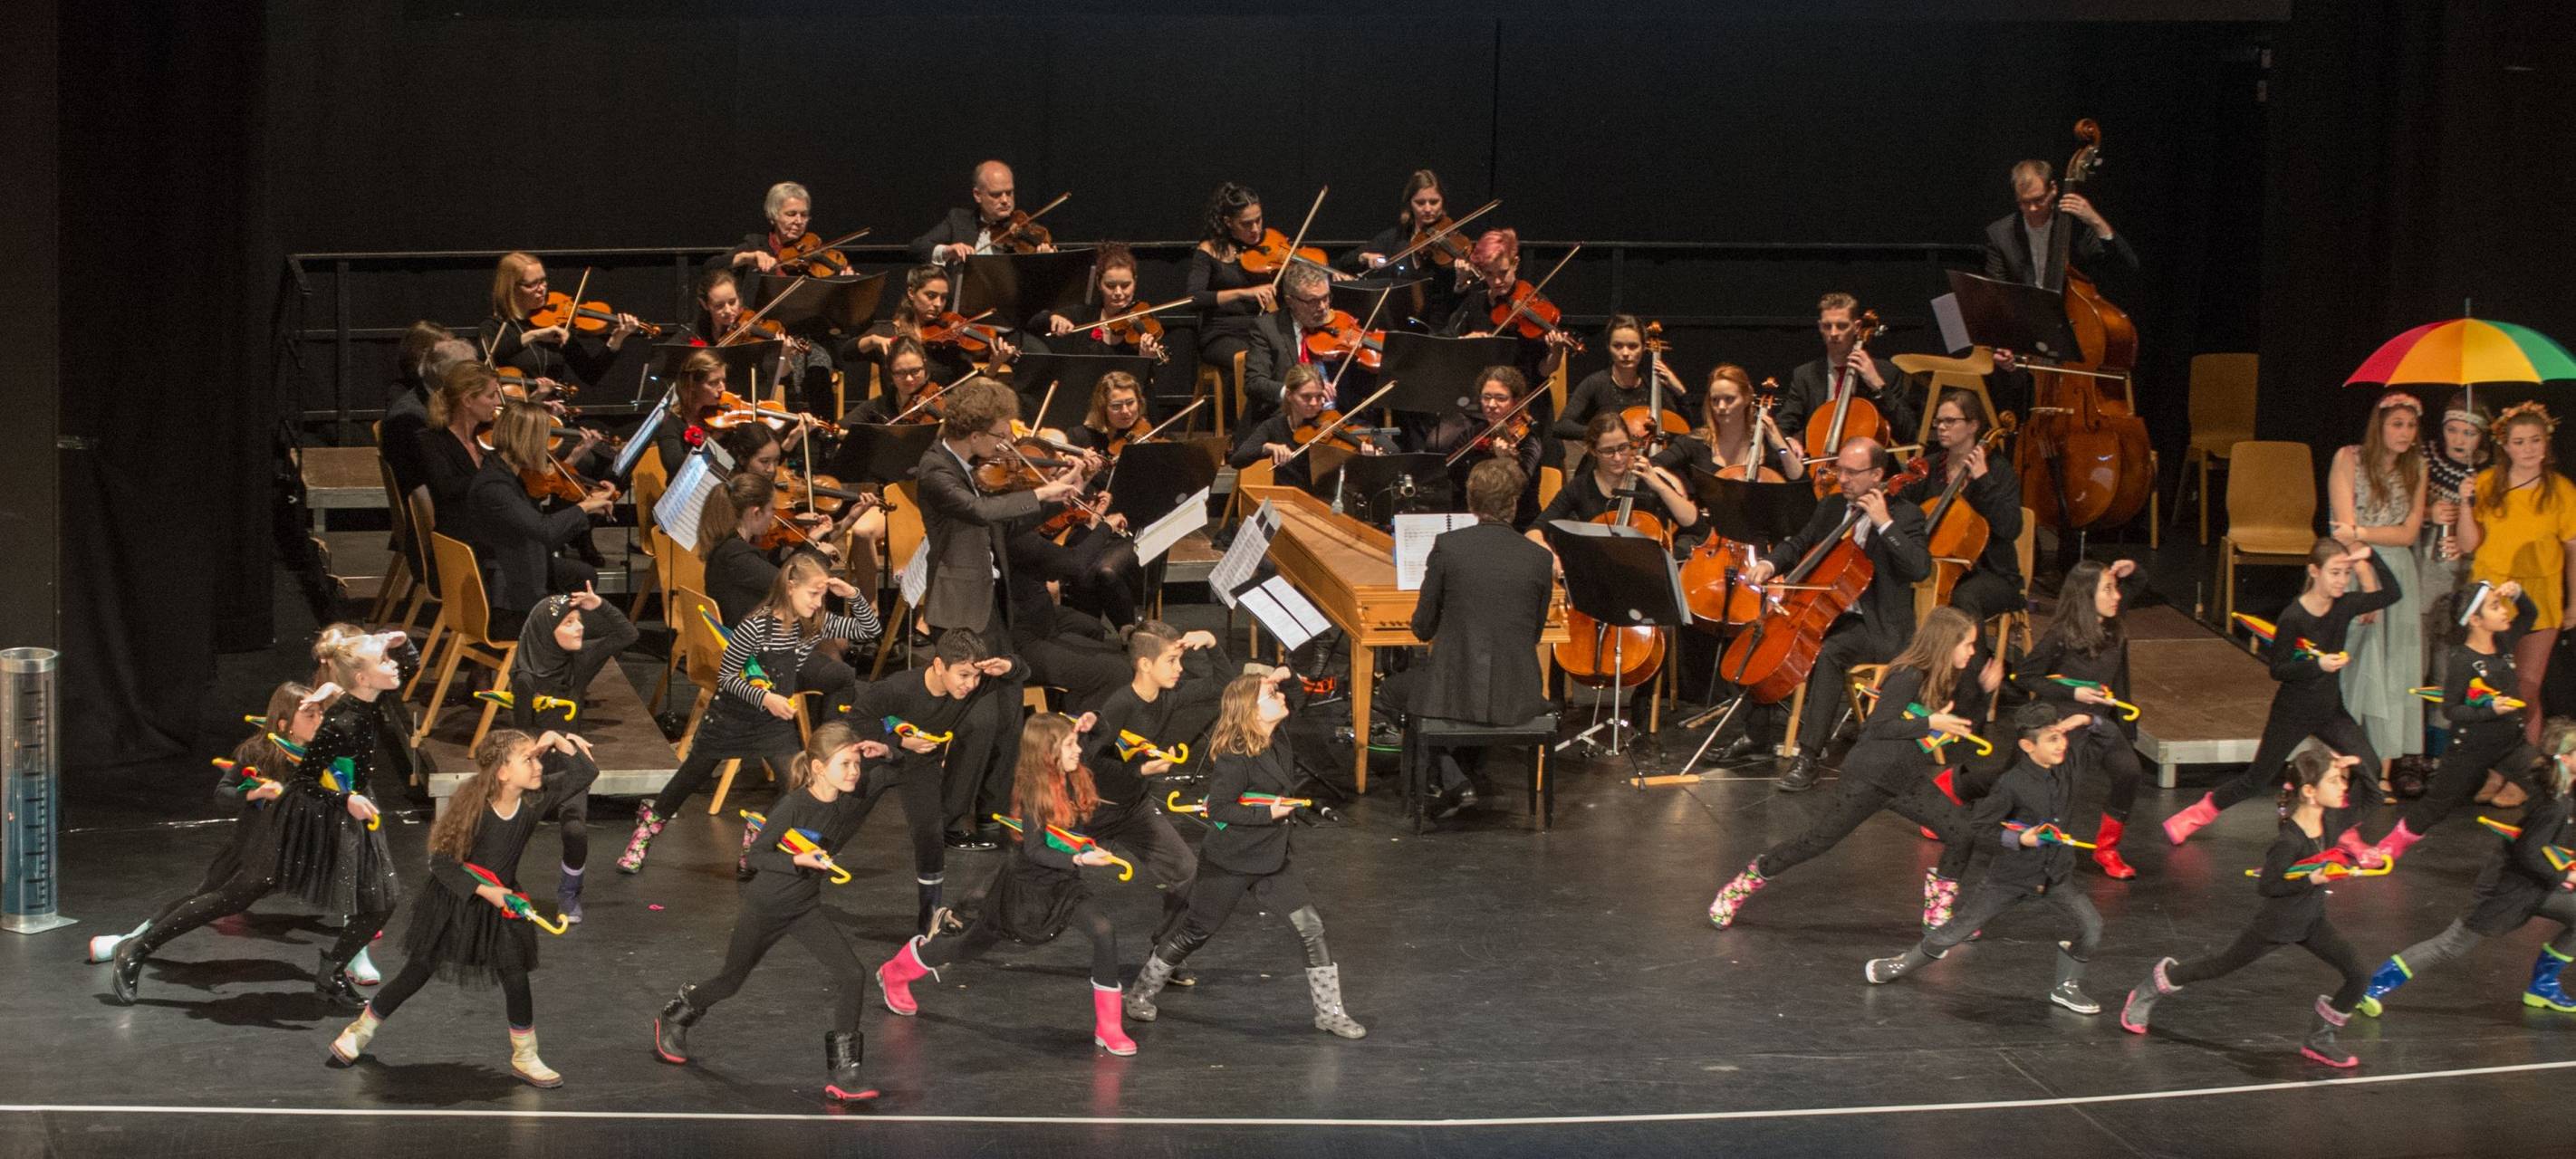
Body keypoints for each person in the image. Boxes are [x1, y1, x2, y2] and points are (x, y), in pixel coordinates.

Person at [326, 728, 599, 1087]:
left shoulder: (535, 800)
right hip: (458, 900)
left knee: (515, 976)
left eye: (537, 758)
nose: (538, 766)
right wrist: (488, 892)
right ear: (503, 772)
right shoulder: (474, 809)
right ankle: (359, 1032)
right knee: (418, 970)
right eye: (528, 760)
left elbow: (585, 773)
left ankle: (526, 1055)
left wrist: (556, 740)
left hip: (502, 901)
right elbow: (441, 863)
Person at [1708, 608, 2000, 934]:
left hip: (1904, 780)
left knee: (1962, 833)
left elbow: (1962, 725)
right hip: (1868, 779)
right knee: (1816, 842)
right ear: (1946, 642)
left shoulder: (1943, 677)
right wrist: (1930, 722)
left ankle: (1937, 914)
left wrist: (1984, 692)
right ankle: (1739, 887)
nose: (1972, 652)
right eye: (1967, 644)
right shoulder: (1908, 675)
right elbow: (1877, 727)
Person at [651, 722, 893, 1104]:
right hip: (766, 906)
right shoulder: (793, 805)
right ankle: (676, 1014)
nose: (854, 772)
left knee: (852, 973)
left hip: (804, 907)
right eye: (845, 764)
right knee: (731, 981)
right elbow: (756, 856)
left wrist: (889, 751)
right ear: (818, 768)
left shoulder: (851, 797)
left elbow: (895, 771)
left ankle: (845, 1072)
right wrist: (797, 860)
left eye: (856, 764)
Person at [874, 712, 1139, 1057]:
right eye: (1069, 745)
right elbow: (1034, 850)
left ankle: (1109, 1027)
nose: (1078, 750)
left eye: (1076, 742)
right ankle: (896, 971)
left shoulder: (1072, 769)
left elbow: (1102, 737)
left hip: (1063, 885)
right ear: (1048, 753)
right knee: (968, 947)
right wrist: (1079, 859)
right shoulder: (1033, 793)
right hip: (1024, 888)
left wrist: (1093, 721)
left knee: (1103, 931)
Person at [1121, 670, 1368, 1039]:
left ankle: (1330, 1014)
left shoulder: (1277, 737)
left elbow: (1295, 694)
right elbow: (1219, 808)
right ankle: (1141, 992)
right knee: (1195, 931)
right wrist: (1268, 814)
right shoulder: (1235, 757)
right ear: (1251, 712)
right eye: (1271, 695)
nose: (1280, 697)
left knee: (1311, 927)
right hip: (1230, 863)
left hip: (1272, 860)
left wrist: (1282, 674)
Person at [618, 553, 880, 874]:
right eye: (813, 594)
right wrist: (765, 697)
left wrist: (852, 594)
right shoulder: (755, 625)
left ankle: (759, 835)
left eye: (822, 596)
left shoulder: (812, 624)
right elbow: (727, 677)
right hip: (730, 718)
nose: (817, 603)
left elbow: (870, 628)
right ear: (790, 586)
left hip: (772, 723)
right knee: (689, 779)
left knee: (797, 783)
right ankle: (646, 831)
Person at [2119, 749, 2375, 1068]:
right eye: (2335, 780)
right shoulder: (2289, 842)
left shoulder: (2331, 821)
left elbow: (2373, 797)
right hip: (2277, 924)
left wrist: (2358, 765)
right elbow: (2268, 886)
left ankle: (2321, 1039)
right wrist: (2311, 878)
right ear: (2310, 791)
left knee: (2359, 974)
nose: (2343, 787)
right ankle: (2152, 987)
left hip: (2312, 921)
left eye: (2343, 780)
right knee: (2220, 965)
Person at [1863, 703, 2107, 1015]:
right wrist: (2020, 839)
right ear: (2027, 746)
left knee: (2092, 927)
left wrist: (2085, 718)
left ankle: (2066, 986)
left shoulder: (2067, 766)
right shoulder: (2011, 784)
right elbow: (1979, 829)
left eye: (2061, 737)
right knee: (1954, 932)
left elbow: (2107, 734)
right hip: (2010, 878)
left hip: (2055, 875)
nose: (2061, 744)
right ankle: (1898, 964)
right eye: (2051, 739)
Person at [2166, 540, 2396, 845]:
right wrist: (2318, 665)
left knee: (2369, 764)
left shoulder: (2345, 605)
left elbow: (2392, 594)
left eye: (2346, 573)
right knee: (2256, 780)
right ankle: (2194, 815)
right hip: (2293, 711)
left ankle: (2339, 829)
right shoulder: (2294, 617)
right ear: (2315, 571)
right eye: (2335, 572)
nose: (2342, 580)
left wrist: (2372, 556)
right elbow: (2279, 669)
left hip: (2329, 709)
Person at [1737, 439, 1934, 791]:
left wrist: (1884, 524)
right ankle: (1755, 736)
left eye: (1852, 472)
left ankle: (1808, 757)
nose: (1841, 479)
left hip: (1877, 625)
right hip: (1830, 614)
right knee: (1763, 638)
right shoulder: (1831, 506)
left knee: (1829, 653)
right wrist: (1770, 563)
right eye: (1839, 469)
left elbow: (1919, 568)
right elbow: (1799, 543)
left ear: (1877, 474)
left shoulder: (1906, 515)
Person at [95, 683, 319, 982]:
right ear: (284, 723)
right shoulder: (256, 753)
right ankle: (129, 942)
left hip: (291, 854)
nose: (320, 721)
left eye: (320, 714)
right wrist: (255, 794)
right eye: (311, 715)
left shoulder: (319, 756)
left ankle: (350, 962)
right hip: (249, 851)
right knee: (203, 899)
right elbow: (223, 794)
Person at [2356, 715, 2576, 1018]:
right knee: (2450, 945)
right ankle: (2370, 987)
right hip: (2506, 891)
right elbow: (2528, 853)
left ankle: (2543, 986)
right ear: (2565, 758)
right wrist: (2565, 873)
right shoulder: (2553, 805)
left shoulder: (2558, 792)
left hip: (2533, 886)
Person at [1383, 460, 1555, 817]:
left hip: (1455, 692)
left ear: (1472, 504)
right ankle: (1463, 772)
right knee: (1462, 692)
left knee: (1392, 691)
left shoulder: (1449, 546)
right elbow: (1534, 633)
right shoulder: (1540, 558)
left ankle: (1451, 778)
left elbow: (1423, 627)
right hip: (1518, 692)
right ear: (1514, 504)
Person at [2341, 580, 2543, 864]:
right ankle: (2387, 847)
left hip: (2511, 744)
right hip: (2471, 748)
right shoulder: (2463, 660)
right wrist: (2491, 710)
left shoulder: (2504, 642)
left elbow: (2531, 614)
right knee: (2437, 804)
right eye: (2495, 606)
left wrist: (2518, 592)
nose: (2503, 611)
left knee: (2548, 786)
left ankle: (2546, 855)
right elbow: (2451, 710)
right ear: (2475, 620)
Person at [836, 628, 1024, 933]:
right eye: (963, 675)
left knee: (930, 834)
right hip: (878, 761)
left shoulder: (972, 687)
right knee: (839, 822)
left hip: (919, 766)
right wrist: (899, 742)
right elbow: (857, 720)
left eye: (976, 676)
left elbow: (1021, 671)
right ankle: (789, 878)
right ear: (939, 666)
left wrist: (1008, 665)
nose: (970, 684)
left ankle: (930, 916)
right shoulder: (899, 688)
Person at [498, 588, 636, 923]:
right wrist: (553, 737)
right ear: (547, 631)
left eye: (579, 620)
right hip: (531, 764)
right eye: (569, 622)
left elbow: (627, 634)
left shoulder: (579, 662)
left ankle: (569, 894)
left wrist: (599, 604)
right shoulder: (526, 679)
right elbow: (522, 736)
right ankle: (500, 889)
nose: (580, 628)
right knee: (508, 832)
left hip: (568, 760)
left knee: (575, 830)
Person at [2011, 559, 2155, 878]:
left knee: (2129, 772)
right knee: (2032, 784)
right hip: (2065, 723)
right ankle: (1956, 786)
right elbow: (2026, 676)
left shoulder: (2113, 621)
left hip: (2101, 722)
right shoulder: (2062, 634)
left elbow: (2137, 584)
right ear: (2087, 595)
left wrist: (2132, 570)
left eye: (2115, 588)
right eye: (2108, 589)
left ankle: (2107, 848)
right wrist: (2073, 693)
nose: (2117, 596)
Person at [2452, 401, 2576, 747]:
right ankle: (2492, 764)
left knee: (2525, 688)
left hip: (2540, 596)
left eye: (2535, 440)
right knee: (2490, 688)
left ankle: (2522, 765)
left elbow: (2573, 550)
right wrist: (2465, 503)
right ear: (2505, 446)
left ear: (2546, 442)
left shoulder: (2561, 490)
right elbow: (2468, 543)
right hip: (2491, 597)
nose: (2528, 449)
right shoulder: (2487, 483)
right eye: (2519, 442)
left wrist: (2574, 603)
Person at [2330, 391, 2428, 800]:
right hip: (2356, 568)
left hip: (2398, 572)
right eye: (2397, 424)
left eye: (2411, 425)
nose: (2405, 433)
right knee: (2352, 663)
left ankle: (2382, 770)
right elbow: (2342, 527)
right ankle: (2340, 767)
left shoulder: (2417, 466)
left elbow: (2407, 533)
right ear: (2380, 425)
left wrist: (2363, 532)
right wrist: (2367, 580)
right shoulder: (2348, 458)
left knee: (2393, 667)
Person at [462, 402, 614, 634]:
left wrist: (586, 505)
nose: (547, 447)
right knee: (605, 630)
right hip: (507, 599)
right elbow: (545, 531)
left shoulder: (510, 473)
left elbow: (543, 532)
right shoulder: (495, 487)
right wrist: (584, 507)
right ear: (527, 442)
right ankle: (545, 642)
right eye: (543, 439)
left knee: (583, 576)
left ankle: (555, 642)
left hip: (521, 565)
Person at [1896, 388, 2024, 627]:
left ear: (1973, 425)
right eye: (1938, 421)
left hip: (1992, 573)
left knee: (1964, 599)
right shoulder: (1929, 466)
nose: (1941, 428)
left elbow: (2010, 528)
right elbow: (1902, 507)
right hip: (1936, 566)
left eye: (1950, 421)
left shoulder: (1998, 471)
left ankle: (1969, 653)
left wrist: (1984, 480)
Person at [2421, 402, 2490, 767]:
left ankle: (2440, 751)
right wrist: (2429, 513)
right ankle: (2407, 749)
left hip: (2464, 572)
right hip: (2424, 569)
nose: (2459, 439)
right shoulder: (2424, 459)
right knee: (2416, 660)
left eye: (2469, 432)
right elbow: (2401, 507)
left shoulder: (2488, 474)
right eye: (2453, 430)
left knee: (2449, 666)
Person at [478, 251, 644, 391]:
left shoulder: (555, 325)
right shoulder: (495, 326)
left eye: (543, 280)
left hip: (554, 412)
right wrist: (533, 335)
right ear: (512, 287)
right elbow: (487, 358)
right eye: (532, 284)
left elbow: (591, 374)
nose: (542, 288)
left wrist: (616, 340)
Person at [1773, 292, 1914, 458]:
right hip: (1818, 465)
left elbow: (1907, 434)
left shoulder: (1885, 372)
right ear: (1820, 326)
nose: (1833, 333)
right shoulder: (1805, 375)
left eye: (1842, 326)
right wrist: (1788, 440)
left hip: (1870, 469)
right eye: (1827, 326)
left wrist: (1877, 385)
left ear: (1857, 326)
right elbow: (1783, 425)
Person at [1532, 413, 1700, 540]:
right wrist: (1551, 556)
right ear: (1593, 451)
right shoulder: (1580, 486)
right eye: (1608, 451)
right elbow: (1536, 529)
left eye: (1623, 448)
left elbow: (1694, 523)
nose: (1618, 458)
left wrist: (1660, 486)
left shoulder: (1646, 480)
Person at [1981, 158, 2139, 293]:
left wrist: (2096, 221)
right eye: (2024, 202)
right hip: (2025, 315)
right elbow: (1997, 292)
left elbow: (2126, 268)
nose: (2032, 208)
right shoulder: (2000, 234)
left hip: (2073, 313)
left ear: (2053, 189)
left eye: (2039, 200)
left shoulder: (2075, 227)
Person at [1420, 365, 1549, 530]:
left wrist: (1508, 460)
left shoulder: (1529, 440)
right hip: (1474, 519)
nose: (1491, 404)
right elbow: (1450, 473)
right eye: (1486, 397)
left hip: (1518, 524)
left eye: (1501, 398)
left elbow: (1522, 488)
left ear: (1516, 401)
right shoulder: (1474, 434)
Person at [1439, 227, 1572, 386]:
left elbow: (1543, 370)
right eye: (1489, 274)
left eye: (1503, 272)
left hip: (1522, 391)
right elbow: (1445, 341)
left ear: (1515, 263)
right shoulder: (1475, 302)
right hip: (1483, 390)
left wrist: (1556, 353)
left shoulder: (1537, 304)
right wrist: (1464, 342)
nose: (1497, 281)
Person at [1338, 168, 1466, 327]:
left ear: (1443, 202)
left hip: (1437, 327)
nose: (1427, 209)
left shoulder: (1452, 242)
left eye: (1434, 202)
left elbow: (1459, 303)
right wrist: (1364, 257)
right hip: (1395, 323)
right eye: (1420, 203)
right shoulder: (1394, 238)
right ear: (1410, 204)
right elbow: (1345, 262)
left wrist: (1461, 282)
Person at [1187, 182, 1280, 394]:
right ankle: (1244, 416)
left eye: (1258, 220)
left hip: (1259, 330)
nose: (1255, 229)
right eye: (1246, 224)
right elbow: (1194, 298)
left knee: (1288, 355)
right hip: (1220, 333)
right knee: (1252, 360)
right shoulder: (1208, 251)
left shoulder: (1267, 249)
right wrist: (1243, 293)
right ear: (1228, 222)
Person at [1229, 364, 1379, 494]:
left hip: (1325, 502)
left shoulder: (1332, 422)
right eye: (1306, 397)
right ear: (1289, 395)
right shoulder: (1274, 426)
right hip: (1289, 502)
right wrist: (1268, 448)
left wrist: (1364, 457)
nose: (1314, 403)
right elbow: (1237, 460)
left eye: (1319, 397)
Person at [1553, 314, 1692, 440]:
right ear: (1608, 347)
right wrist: (1606, 435)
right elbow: (1561, 427)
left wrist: (1679, 391)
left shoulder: (1653, 385)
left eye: (1633, 346)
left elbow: (1685, 429)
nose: (1625, 353)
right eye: (1618, 346)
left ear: (1644, 347)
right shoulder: (1595, 383)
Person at [1662, 363, 1802, 484]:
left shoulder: (1767, 439)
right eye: (1715, 400)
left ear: (1746, 398)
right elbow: (1653, 465)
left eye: (1729, 399)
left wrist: (1781, 446)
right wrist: (1672, 481)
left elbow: (1799, 479)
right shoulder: (1695, 442)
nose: (1721, 406)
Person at [1245, 263, 1358, 415]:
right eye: (1313, 301)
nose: (1323, 307)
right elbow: (1254, 383)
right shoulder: (1266, 328)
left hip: (1339, 416)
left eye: (1326, 298)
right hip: (1289, 416)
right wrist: (1296, 391)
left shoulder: (1340, 326)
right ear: (1290, 301)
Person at [1032, 243, 1167, 363]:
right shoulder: (1081, 316)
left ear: (1135, 282)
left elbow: (1144, 382)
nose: (1118, 292)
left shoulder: (1146, 320)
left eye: (1125, 285)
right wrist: (1053, 317)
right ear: (1098, 283)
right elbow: (1032, 323)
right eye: (1110, 285)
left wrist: (1145, 361)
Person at [912, 159, 1053, 264]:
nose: (1005, 200)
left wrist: (1045, 261)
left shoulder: (1023, 229)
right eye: (996, 194)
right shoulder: (958, 220)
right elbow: (917, 248)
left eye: (1009, 193)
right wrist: (948, 250)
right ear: (977, 195)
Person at [418, 361, 505, 522]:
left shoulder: (488, 437)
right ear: (467, 400)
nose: (498, 402)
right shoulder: (431, 441)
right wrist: (499, 477)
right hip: (461, 527)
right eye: (491, 395)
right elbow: (447, 489)